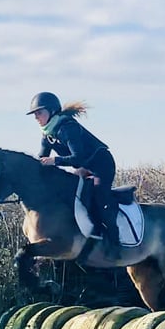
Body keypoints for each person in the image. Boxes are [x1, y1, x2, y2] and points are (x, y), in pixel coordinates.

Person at [26, 92, 121, 260]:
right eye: (34, 114)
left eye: (39, 112)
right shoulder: (47, 135)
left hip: (101, 164)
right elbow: (41, 160)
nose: (36, 117)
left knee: (99, 196)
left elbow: (78, 157)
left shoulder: (67, 127)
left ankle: (115, 241)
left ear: (51, 111)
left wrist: (54, 160)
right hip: (85, 167)